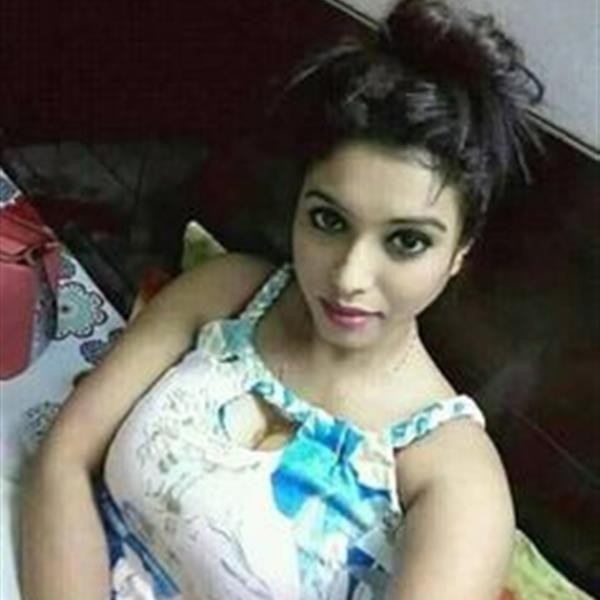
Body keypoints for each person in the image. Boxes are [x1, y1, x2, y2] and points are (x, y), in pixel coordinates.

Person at [20, 1, 544, 598]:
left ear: (458, 253)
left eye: (406, 241)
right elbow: (65, 455)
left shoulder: (453, 478)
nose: (349, 275)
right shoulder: (229, 293)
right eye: (328, 220)